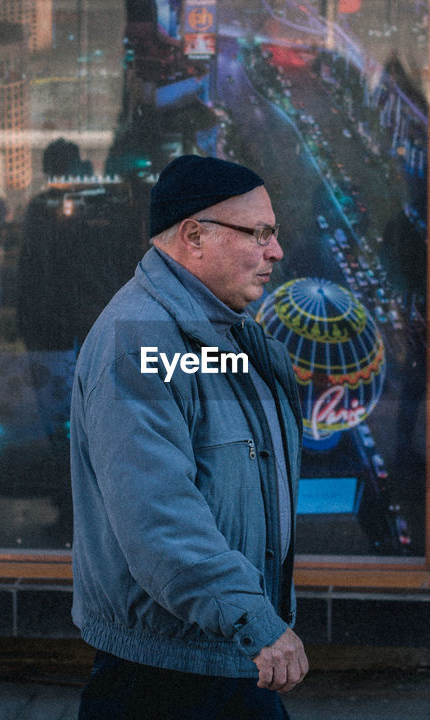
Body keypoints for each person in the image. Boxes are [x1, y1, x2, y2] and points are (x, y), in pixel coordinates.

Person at [70, 154, 308, 719]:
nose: (276, 251)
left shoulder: (226, 333)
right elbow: (158, 514)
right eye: (259, 234)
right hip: (167, 675)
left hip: (222, 651)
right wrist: (252, 616)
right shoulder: (141, 343)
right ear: (194, 236)